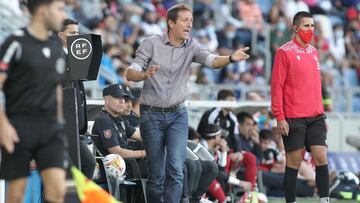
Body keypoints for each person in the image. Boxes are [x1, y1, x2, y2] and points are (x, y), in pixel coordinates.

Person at [126, 4, 250, 203]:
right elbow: (130, 73)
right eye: (185, 20)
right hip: (151, 115)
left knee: (176, 168)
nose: (190, 24)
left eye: (191, 21)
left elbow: (212, 61)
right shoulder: (151, 43)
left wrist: (230, 58)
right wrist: (144, 74)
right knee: (156, 172)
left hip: (178, 115)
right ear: (171, 23)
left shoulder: (192, 46)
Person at [0, 0, 67, 202]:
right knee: (16, 194)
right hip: (19, 128)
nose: (63, 15)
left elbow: (56, 88)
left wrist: (60, 124)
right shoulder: (15, 42)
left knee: (57, 191)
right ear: (43, 11)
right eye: (60, 9)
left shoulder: (56, 45)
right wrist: (3, 126)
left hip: (50, 130)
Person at [271, 11, 329, 203]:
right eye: (306, 26)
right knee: (294, 163)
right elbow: (276, 86)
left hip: (316, 117)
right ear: (296, 28)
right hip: (294, 117)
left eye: (312, 26)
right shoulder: (284, 52)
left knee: (321, 157)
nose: (310, 30)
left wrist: (322, 112)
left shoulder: (313, 52)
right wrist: (279, 117)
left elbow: (315, 86)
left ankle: (325, 200)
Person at [58, 18, 96, 179]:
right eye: (72, 33)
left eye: (78, 33)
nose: (77, 36)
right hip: (64, 125)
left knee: (77, 168)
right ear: (61, 35)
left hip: (75, 126)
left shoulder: (75, 57)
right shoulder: (57, 57)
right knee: (86, 163)